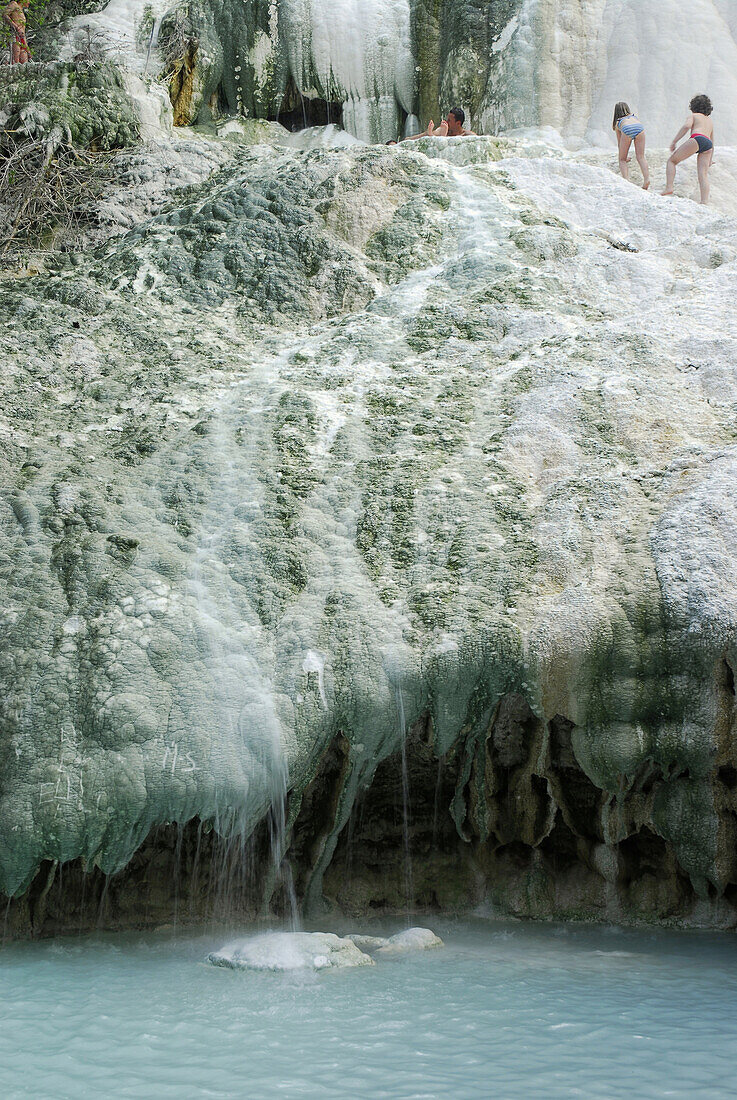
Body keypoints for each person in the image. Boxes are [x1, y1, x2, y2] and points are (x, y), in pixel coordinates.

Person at [662, 95, 714, 204]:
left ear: (693, 106)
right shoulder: (709, 121)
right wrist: (710, 160)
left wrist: (674, 141)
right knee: (703, 174)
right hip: (708, 144)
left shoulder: (694, 116)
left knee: (672, 161)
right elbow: (712, 141)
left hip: (697, 138)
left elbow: (686, 126)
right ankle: (704, 201)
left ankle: (669, 187)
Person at [612, 102, 650, 189]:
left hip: (626, 129)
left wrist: (624, 157)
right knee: (641, 157)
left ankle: (626, 181)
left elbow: (619, 142)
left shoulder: (618, 122)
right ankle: (647, 179)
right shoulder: (634, 117)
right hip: (639, 127)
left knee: (621, 160)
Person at [402, 106, 476, 141]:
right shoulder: (443, 129)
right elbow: (427, 134)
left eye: (449, 120)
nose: (446, 122)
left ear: (458, 123)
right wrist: (409, 139)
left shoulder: (467, 135)